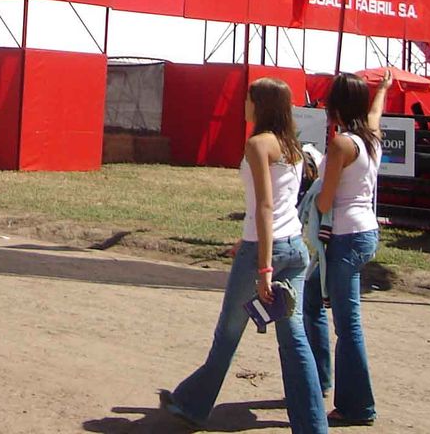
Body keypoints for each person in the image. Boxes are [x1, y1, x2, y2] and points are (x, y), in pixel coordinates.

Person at [161, 78, 325, 434]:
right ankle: (313, 424)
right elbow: (278, 205)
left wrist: (263, 266)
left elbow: (266, 207)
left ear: (260, 104)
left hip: (264, 252)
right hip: (293, 247)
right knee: (294, 339)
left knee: (228, 334)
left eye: (248, 98)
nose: (244, 103)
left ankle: (191, 405)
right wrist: (247, 238)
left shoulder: (257, 144)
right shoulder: (292, 146)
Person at [304, 70, 391, 427]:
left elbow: (325, 200)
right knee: (311, 301)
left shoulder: (341, 144)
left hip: (343, 235)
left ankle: (357, 406)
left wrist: (312, 182)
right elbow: (376, 112)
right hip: (363, 230)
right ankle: (320, 379)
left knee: (347, 324)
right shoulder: (369, 135)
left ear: (336, 105)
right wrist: (383, 89)